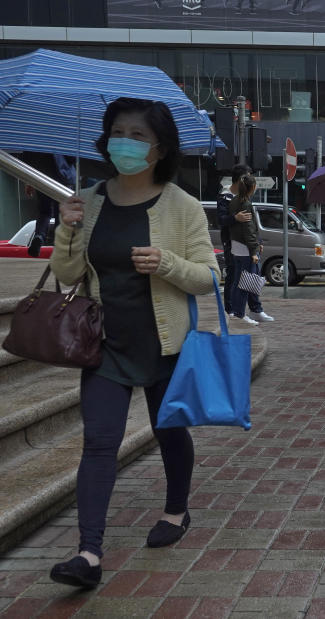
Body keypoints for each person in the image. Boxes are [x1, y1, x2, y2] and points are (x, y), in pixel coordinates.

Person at [48, 97, 220, 589]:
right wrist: (67, 229)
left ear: (159, 148)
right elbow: (67, 274)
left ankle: (176, 510)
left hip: (165, 343)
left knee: (169, 431)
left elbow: (208, 278)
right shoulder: (90, 200)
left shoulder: (182, 206)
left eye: (138, 135)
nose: (125, 141)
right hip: (104, 343)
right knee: (100, 442)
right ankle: (88, 553)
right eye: (118, 131)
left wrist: (165, 263)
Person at [218, 164, 272, 323]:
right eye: (248, 177)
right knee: (237, 278)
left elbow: (251, 226)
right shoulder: (226, 197)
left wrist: (258, 242)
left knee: (250, 278)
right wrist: (235, 218)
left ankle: (255, 309)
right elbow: (222, 220)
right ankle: (234, 312)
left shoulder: (242, 200)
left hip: (246, 245)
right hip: (236, 245)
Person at [228, 175, 268, 325]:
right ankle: (240, 314)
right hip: (246, 249)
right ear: (253, 187)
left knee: (238, 281)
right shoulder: (245, 204)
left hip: (237, 247)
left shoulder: (235, 201)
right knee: (245, 283)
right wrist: (254, 250)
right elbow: (248, 229)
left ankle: (240, 312)